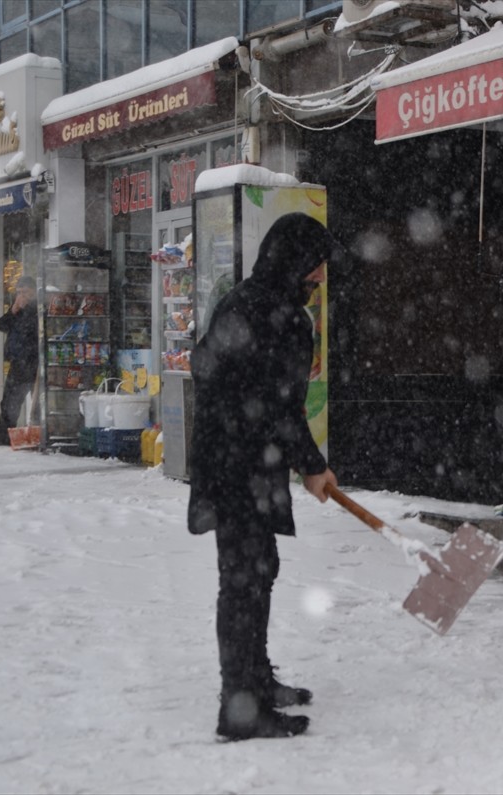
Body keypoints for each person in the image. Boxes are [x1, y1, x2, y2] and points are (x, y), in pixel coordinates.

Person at [188, 213, 338, 741]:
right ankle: (240, 707)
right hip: (240, 463)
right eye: (315, 264)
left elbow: (209, 369)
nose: (320, 275)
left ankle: (255, 679)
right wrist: (314, 466)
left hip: (238, 459)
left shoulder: (246, 302)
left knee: (257, 570)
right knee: (244, 582)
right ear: (293, 260)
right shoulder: (274, 316)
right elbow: (277, 408)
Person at [0, 276, 38, 446]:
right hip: (17, 363)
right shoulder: (16, 309)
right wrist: (13, 310)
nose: (21, 295)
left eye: (25, 292)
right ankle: (3, 438)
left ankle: (38, 435)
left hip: (33, 363)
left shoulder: (36, 308)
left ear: (33, 292)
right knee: (9, 404)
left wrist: (26, 308)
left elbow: (33, 330)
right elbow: (2, 325)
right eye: (19, 292)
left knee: (38, 403)